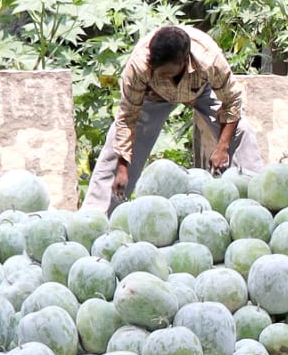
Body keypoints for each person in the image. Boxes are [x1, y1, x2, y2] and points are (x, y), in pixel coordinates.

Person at [82, 25, 263, 214]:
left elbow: (232, 100)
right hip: (153, 95)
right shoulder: (140, 64)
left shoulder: (208, 58)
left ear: (184, 61)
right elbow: (127, 118)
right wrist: (122, 168)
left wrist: (222, 147)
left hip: (199, 90)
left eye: (166, 73)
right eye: (156, 71)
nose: (161, 75)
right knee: (116, 148)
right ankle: (96, 216)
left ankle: (255, 202)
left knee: (241, 131)